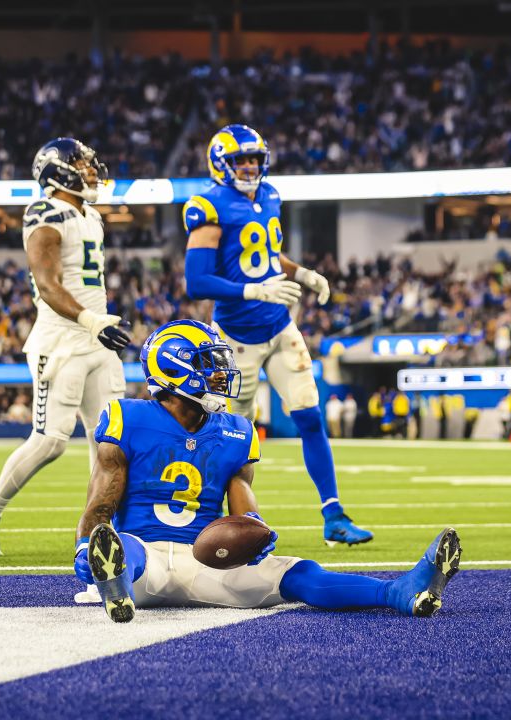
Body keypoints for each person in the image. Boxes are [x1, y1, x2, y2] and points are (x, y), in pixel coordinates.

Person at [71, 320, 461, 623]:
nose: (222, 374)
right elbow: (100, 505)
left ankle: (399, 593)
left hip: (209, 559)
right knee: (123, 547)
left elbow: (244, 512)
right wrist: (87, 546)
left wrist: (256, 533)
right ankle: (114, 581)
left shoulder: (236, 431)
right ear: (173, 369)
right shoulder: (128, 416)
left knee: (296, 571)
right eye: (209, 364)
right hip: (143, 559)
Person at [182, 124, 372, 546]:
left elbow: (265, 254)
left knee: (309, 414)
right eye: (240, 160)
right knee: (234, 435)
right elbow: (196, 281)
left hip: (279, 325)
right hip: (235, 339)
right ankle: (222, 522)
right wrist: (254, 289)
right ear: (221, 164)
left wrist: (299, 272)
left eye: (254, 159)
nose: (249, 167)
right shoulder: (209, 206)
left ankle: (334, 517)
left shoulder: (269, 196)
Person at [0, 138, 132, 557]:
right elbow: (48, 285)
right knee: (51, 440)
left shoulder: (91, 215)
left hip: (97, 339)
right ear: (57, 169)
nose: (91, 168)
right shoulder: (45, 212)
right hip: (61, 340)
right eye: (81, 161)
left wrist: (100, 323)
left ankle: (100, 529)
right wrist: (93, 320)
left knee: (111, 442)